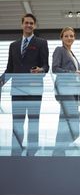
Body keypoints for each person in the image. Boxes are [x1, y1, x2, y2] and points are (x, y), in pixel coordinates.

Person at [0, 13, 49, 156]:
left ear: (35, 26)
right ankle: (16, 152)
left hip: (34, 90)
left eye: (31, 23)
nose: (28, 25)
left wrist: (41, 70)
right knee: (17, 122)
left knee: (34, 122)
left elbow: (46, 66)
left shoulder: (41, 43)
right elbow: (10, 69)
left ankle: (32, 153)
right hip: (17, 90)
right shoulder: (13, 45)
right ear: (22, 24)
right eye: (26, 23)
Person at [52, 27, 80, 156]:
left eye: (71, 36)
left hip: (74, 92)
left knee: (64, 121)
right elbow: (55, 69)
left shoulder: (72, 54)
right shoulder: (59, 50)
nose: (69, 38)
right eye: (66, 36)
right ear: (61, 37)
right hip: (64, 90)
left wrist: (77, 75)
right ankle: (59, 150)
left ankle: (58, 152)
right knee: (72, 120)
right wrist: (73, 73)